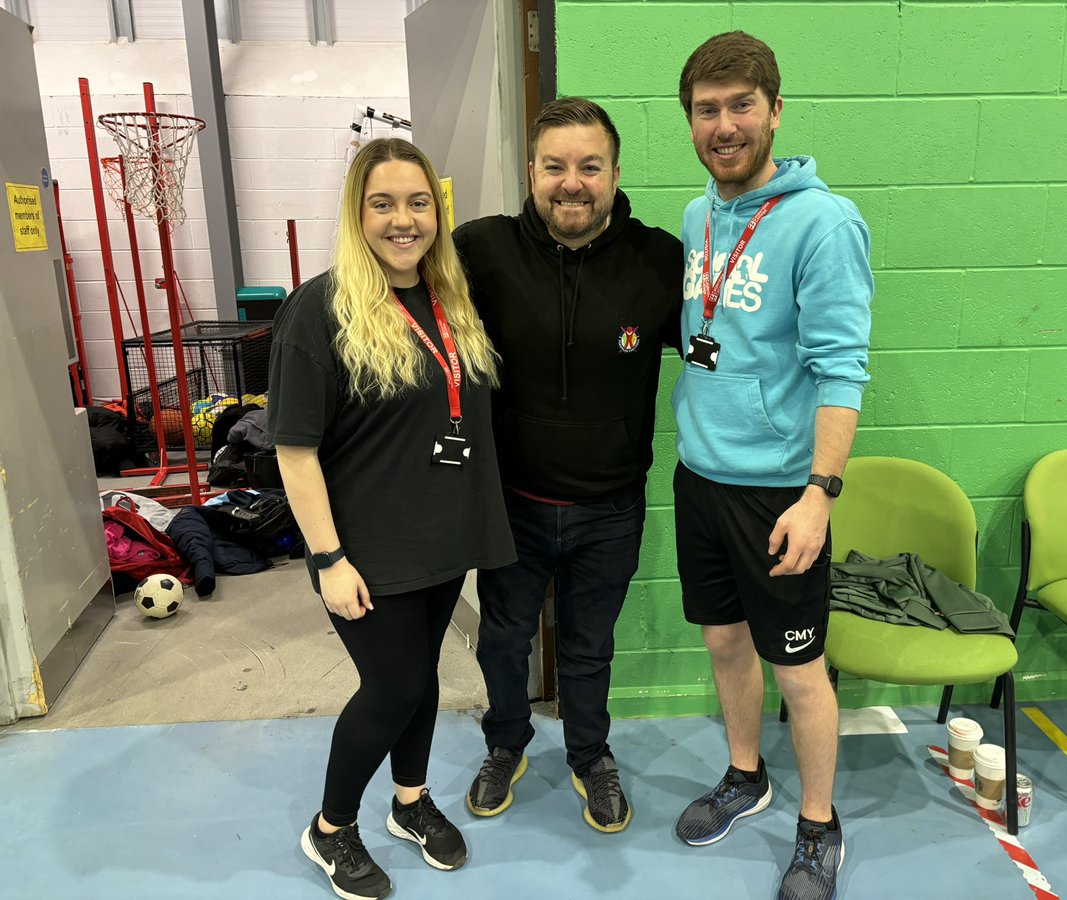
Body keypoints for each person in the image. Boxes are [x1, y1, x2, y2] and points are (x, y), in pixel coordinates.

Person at [269, 137, 515, 900]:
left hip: (441, 534)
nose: (403, 220)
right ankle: (331, 828)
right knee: (392, 686)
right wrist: (329, 559)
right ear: (357, 213)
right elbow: (295, 451)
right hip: (364, 548)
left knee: (420, 681)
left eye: (418, 204)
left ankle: (409, 803)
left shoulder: (448, 300)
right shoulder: (321, 308)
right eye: (383, 204)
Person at [670, 32, 873, 900]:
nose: (725, 125)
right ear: (690, 122)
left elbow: (843, 368)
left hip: (781, 496)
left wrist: (818, 495)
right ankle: (745, 775)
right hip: (700, 477)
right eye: (707, 110)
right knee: (724, 642)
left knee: (799, 667)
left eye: (741, 105)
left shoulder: (824, 222)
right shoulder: (693, 217)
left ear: (775, 110)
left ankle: (819, 826)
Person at [452, 97, 683, 833]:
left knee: (589, 646)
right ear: (531, 172)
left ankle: (590, 755)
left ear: (615, 174)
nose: (571, 182)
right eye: (555, 166)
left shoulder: (659, 260)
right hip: (512, 502)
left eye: (589, 166)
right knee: (502, 639)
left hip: (611, 506)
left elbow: (730, 353)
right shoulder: (478, 251)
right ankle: (505, 744)